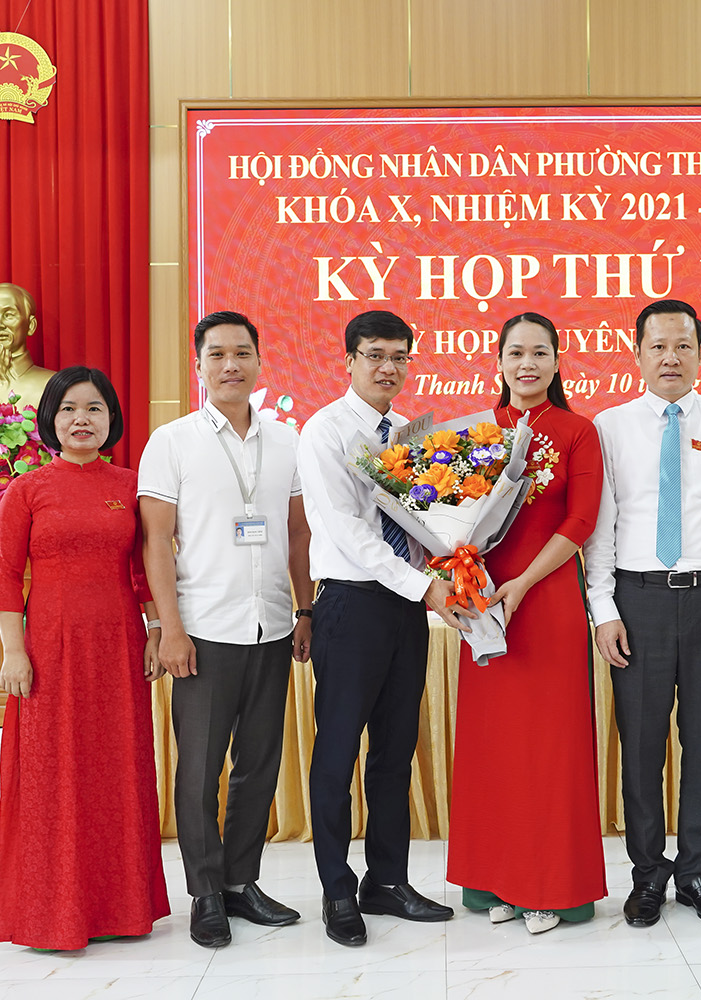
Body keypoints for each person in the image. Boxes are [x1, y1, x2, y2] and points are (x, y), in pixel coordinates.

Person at [583, 299, 701, 930]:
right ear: (636, 353)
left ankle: (696, 873)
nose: (671, 357)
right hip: (638, 600)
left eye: (683, 345)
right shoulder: (609, 426)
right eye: (658, 346)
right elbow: (599, 526)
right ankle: (647, 873)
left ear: (700, 353)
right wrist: (603, 608)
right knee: (641, 745)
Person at [138, 311, 313, 949]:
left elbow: (298, 533)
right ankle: (205, 893)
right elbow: (156, 541)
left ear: (261, 361)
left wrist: (305, 610)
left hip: (271, 627)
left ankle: (242, 883)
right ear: (200, 366)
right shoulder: (172, 442)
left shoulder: (288, 441)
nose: (231, 364)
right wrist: (170, 627)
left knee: (258, 766)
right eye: (217, 354)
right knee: (200, 770)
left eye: (242, 352)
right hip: (203, 631)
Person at [297, 309, 472, 947]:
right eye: (374, 355)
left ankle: (388, 881)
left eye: (399, 357)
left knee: (395, 750)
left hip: (407, 607)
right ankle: (337, 891)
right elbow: (345, 529)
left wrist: (452, 560)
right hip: (352, 605)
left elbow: (423, 524)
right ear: (349, 361)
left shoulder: (410, 434)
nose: (387, 368)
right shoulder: (325, 431)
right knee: (339, 752)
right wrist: (424, 585)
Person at [0, 365, 168, 950]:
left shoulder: (131, 485)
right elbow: (6, 579)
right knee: (51, 776)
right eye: (68, 409)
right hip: (48, 651)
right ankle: (49, 915)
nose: (81, 420)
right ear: (50, 419)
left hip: (117, 649)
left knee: (117, 772)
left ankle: (121, 910)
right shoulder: (27, 490)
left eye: (93, 408)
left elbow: (143, 570)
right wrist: (13, 652)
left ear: (111, 418)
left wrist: (156, 630)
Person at [446, 313, 606, 935]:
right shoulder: (475, 433)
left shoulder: (578, 431)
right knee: (496, 747)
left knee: (549, 746)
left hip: (548, 600)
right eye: (516, 353)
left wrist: (524, 583)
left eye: (540, 352)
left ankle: (551, 887)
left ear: (558, 362)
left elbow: (581, 521)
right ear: (499, 362)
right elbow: (446, 518)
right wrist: (465, 579)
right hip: (484, 604)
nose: (528, 364)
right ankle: (499, 881)